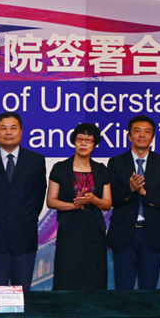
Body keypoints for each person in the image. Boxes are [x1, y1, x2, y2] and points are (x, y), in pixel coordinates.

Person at [0, 112, 46, 291]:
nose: (8, 132)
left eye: (13, 128)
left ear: (21, 131)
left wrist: (26, 219)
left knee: (23, 293)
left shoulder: (36, 160)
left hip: (25, 238)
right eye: (3, 128)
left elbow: (38, 196)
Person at [106, 115, 160, 290]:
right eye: (137, 131)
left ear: (152, 137)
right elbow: (110, 198)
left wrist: (146, 193)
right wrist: (130, 190)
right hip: (123, 235)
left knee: (149, 290)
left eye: (147, 131)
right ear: (129, 136)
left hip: (151, 234)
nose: (142, 135)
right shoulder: (116, 162)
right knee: (123, 290)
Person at [46, 123, 111, 291]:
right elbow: (51, 201)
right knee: (67, 274)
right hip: (69, 228)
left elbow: (107, 203)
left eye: (88, 140)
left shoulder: (101, 170)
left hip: (94, 229)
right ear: (73, 141)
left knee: (94, 275)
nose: (83, 143)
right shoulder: (60, 168)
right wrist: (74, 205)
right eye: (80, 139)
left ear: (95, 144)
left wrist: (93, 200)